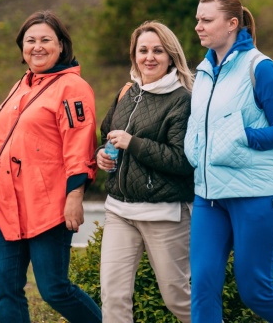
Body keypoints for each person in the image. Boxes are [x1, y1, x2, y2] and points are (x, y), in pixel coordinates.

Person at [184, 0, 273, 322]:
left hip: (257, 196)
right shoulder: (203, 71)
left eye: (206, 20)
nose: (198, 26)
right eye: (198, 19)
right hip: (209, 197)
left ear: (232, 24)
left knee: (256, 291)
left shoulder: (261, 67)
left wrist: (241, 136)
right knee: (202, 287)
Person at [0, 10, 102, 322]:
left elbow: (80, 143)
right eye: (30, 40)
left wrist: (75, 196)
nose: (37, 47)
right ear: (22, 47)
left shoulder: (72, 87)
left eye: (45, 40)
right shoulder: (22, 84)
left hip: (49, 206)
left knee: (54, 289)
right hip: (8, 206)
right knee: (6, 288)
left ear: (61, 45)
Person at [96, 21, 194, 322]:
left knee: (178, 298)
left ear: (171, 56)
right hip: (120, 211)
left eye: (158, 51)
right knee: (113, 296)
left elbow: (182, 160)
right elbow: (107, 133)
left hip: (163, 214)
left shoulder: (182, 100)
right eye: (143, 50)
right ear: (134, 55)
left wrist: (134, 143)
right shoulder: (127, 91)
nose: (149, 57)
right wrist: (102, 155)